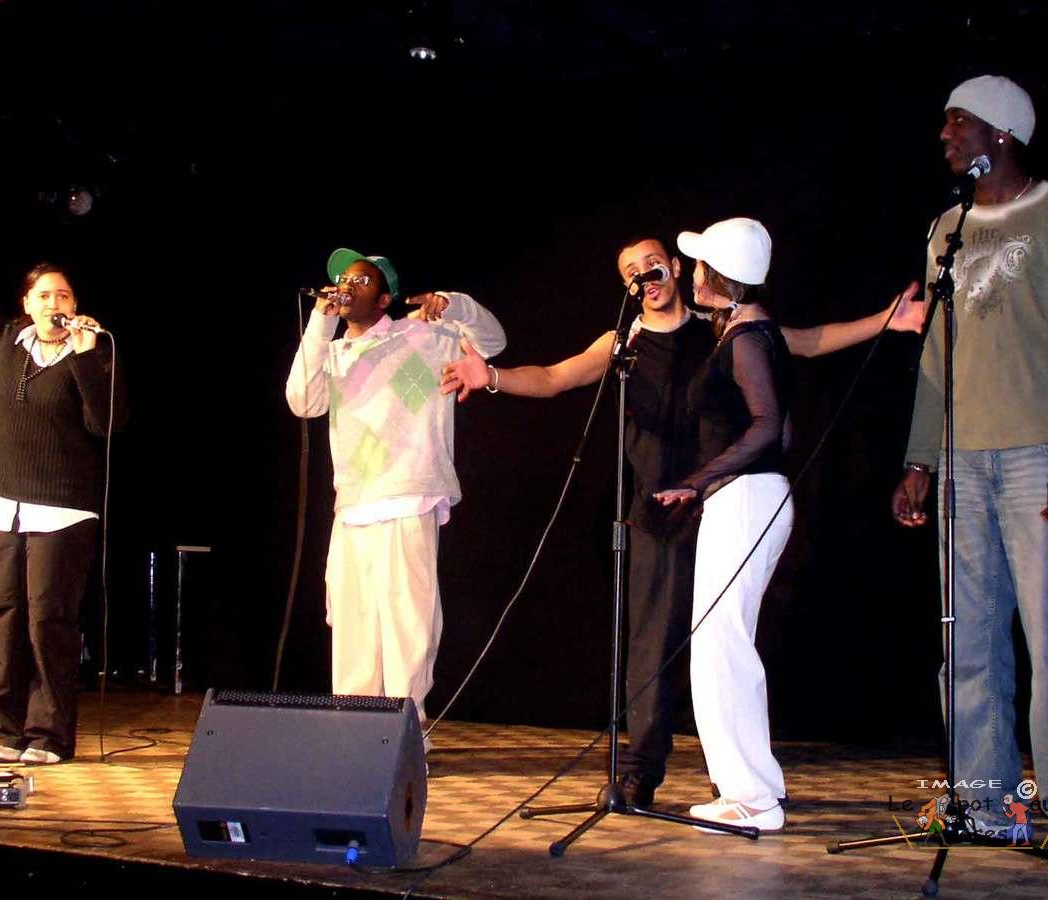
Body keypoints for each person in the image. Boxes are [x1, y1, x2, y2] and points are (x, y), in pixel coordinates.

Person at [441, 234, 924, 808]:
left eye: (653, 263)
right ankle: (642, 770)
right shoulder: (622, 343)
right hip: (659, 511)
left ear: (674, 267)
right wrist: (491, 376)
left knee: (725, 642)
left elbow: (803, 341)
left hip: (723, 498)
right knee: (651, 643)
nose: (645, 274)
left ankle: (736, 777)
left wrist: (885, 320)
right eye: (632, 270)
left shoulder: (720, 327)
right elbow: (553, 377)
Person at [891, 74, 1048, 863]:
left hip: (1037, 455)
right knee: (969, 641)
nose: (945, 136)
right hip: (961, 460)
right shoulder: (946, 230)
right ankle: (985, 803)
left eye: (959, 122)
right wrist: (920, 457)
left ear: (1002, 132)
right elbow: (936, 354)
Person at [0, 171, 127, 766]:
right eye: (44, 296)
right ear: (26, 305)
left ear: (76, 306)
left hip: (64, 508)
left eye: (64, 296)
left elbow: (105, 424)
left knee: (49, 621)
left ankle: (49, 736)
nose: (55, 304)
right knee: (3, 616)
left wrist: (86, 358)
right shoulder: (4, 341)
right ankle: (11, 729)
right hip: (1, 500)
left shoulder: (93, 352)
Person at [285, 248, 505, 729]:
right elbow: (302, 401)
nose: (346, 285)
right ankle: (353, 732)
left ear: (385, 298)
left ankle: (406, 733)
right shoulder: (334, 353)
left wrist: (454, 305)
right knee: (353, 624)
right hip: (353, 506)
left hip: (409, 494)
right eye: (343, 279)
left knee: (408, 625)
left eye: (361, 280)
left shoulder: (425, 334)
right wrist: (320, 323)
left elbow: (494, 340)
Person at [649, 218, 791, 832]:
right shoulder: (747, 332)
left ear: (722, 276)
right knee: (725, 643)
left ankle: (751, 797)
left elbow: (769, 426)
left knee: (719, 646)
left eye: (702, 264)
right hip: (752, 497)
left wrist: (700, 479)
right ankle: (755, 786)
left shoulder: (749, 338)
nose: (694, 273)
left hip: (747, 498)